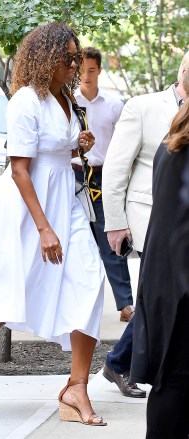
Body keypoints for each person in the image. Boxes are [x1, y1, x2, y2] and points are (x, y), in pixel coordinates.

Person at [0, 22, 107, 426]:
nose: (74, 63)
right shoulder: (24, 102)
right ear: (46, 57)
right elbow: (19, 170)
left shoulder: (64, 98)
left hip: (64, 201)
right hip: (26, 208)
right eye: (68, 57)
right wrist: (44, 227)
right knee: (6, 293)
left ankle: (76, 386)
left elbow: (54, 155)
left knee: (90, 280)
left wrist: (76, 144)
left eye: (76, 56)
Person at [101, 51, 189, 397]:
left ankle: (120, 362)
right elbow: (116, 167)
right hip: (149, 219)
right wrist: (115, 222)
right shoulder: (143, 107)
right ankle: (122, 363)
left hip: (182, 225)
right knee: (158, 300)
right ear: (182, 70)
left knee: (165, 302)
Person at [130, 67, 189, 439]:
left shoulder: (175, 138)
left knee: (176, 382)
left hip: (168, 282)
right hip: (180, 286)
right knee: (177, 382)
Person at [73, 47, 134, 322]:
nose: (86, 75)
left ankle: (125, 304)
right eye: (81, 69)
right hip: (73, 174)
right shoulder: (68, 101)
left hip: (101, 175)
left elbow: (123, 146)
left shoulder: (113, 105)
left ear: (99, 70)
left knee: (111, 238)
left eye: (92, 70)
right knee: (73, 240)